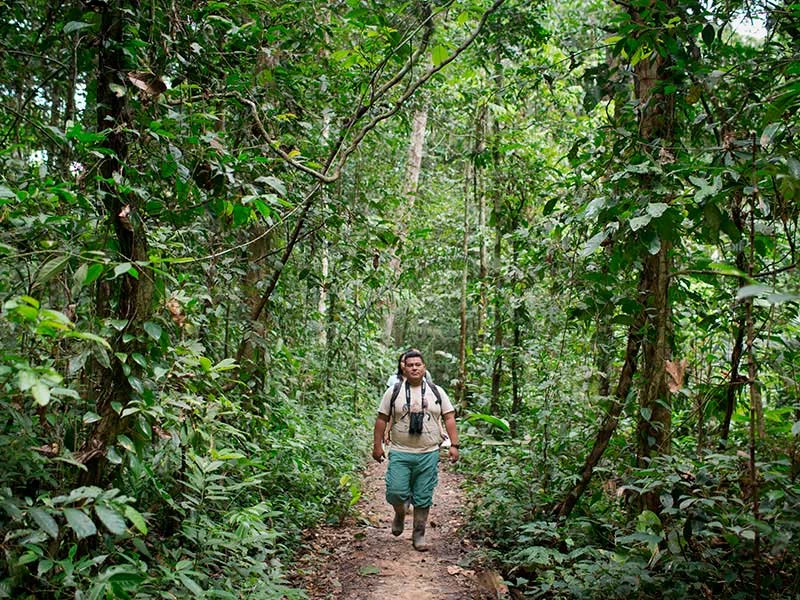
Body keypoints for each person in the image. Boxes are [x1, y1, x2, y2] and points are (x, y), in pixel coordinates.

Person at [372, 350, 459, 551]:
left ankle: (419, 533)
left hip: (428, 452)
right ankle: (400, 513)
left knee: (423, 494)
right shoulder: (394, 391)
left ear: (424, 367)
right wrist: (377, 445)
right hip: (401, 452)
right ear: (404, 367)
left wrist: (454, 445)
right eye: (410, 365)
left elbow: (449, 417)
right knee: (395, 492)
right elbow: (381, 419)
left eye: (417, 365)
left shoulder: (437, 391)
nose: (414, 368)